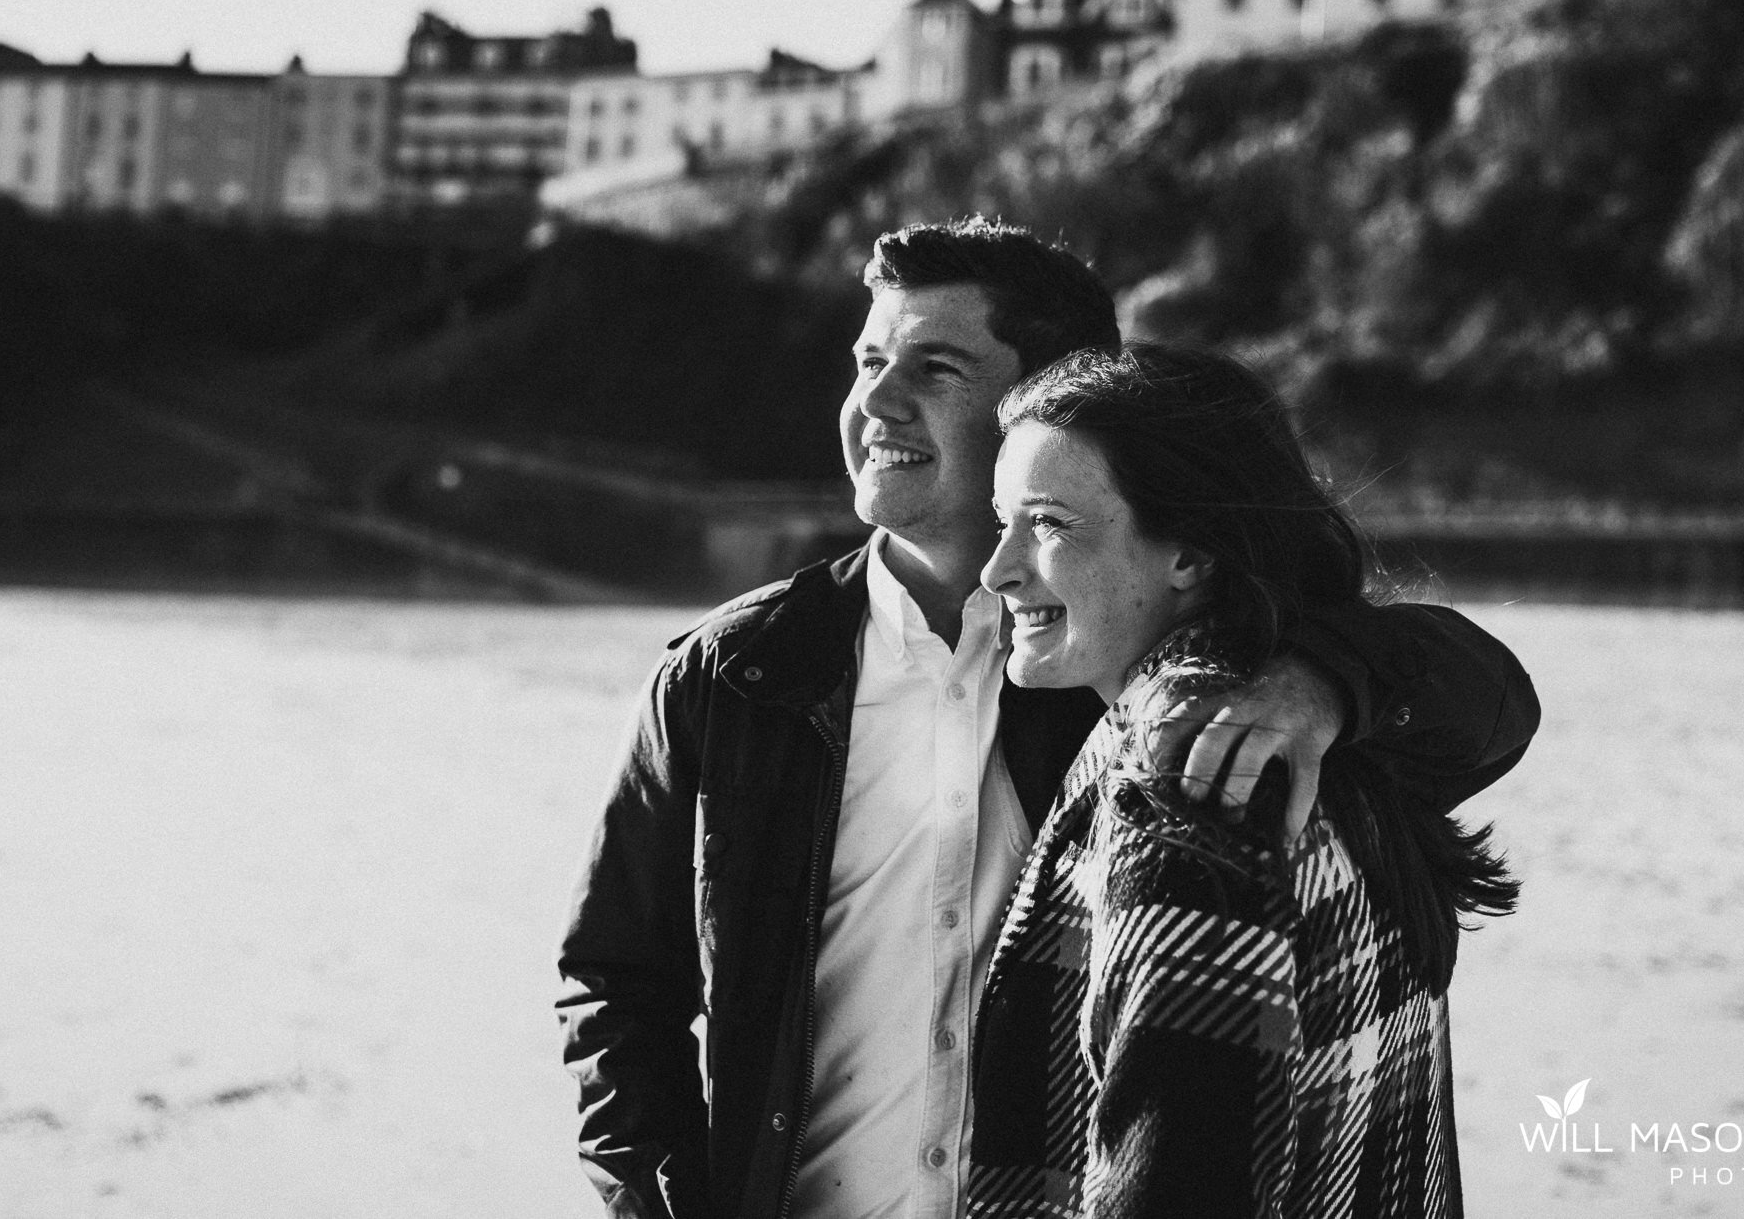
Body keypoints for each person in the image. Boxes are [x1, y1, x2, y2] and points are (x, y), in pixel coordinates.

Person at [557, 217, 1538, 1219]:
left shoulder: (1137, 665)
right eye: (866, 360)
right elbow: (613, 980)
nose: (874, 402)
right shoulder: (733, 674)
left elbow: (1489, 698)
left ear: (1057, 391)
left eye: (933, 368)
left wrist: (1323, 679)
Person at [970, 344, 1521, 1218]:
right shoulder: (1315, 727)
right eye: (1000, 521)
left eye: (1048, 524)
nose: (997, 567)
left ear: (1189, 552)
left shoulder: (1193, 790)